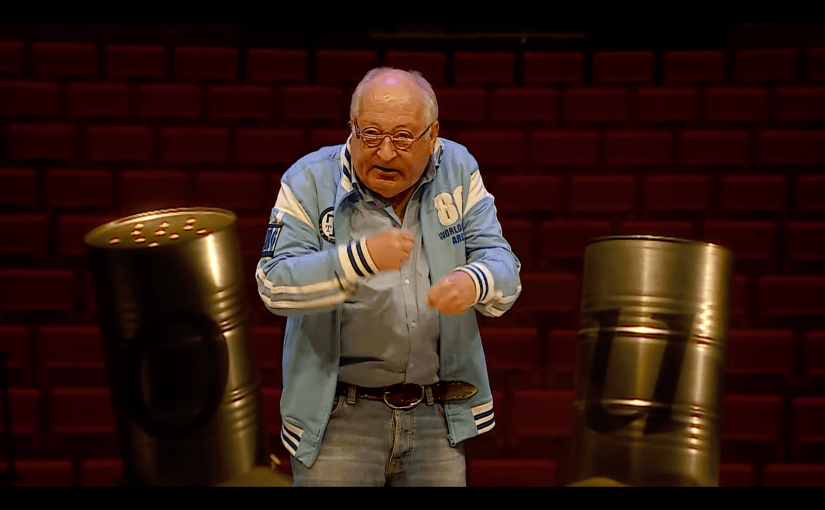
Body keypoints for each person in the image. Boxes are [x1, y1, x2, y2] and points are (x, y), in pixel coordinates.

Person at [256, 67, 522, 487]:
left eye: (402, 138)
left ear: (432, 136)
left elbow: (502, 262)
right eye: (371, 135)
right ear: (352, 128)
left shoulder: (458, 167)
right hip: (338, 419)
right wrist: (358, 258)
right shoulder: (307, 179)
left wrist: (474, 281)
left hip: (436, 414)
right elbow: (273, 284)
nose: (383, 153)